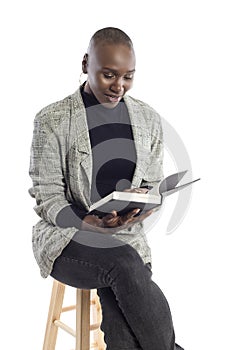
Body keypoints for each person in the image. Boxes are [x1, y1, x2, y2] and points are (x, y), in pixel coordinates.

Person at [29, 27, 184, 350]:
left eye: (128, 77)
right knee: (126, 265)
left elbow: (150, 183)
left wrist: (142, 203)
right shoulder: (53, 120)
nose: (119, 87)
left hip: (124, 236)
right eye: (109, 75)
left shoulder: (147, 119)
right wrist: (84, 222)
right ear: (86, 64)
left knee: (124, 331)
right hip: (67, 238)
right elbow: (47, 197)